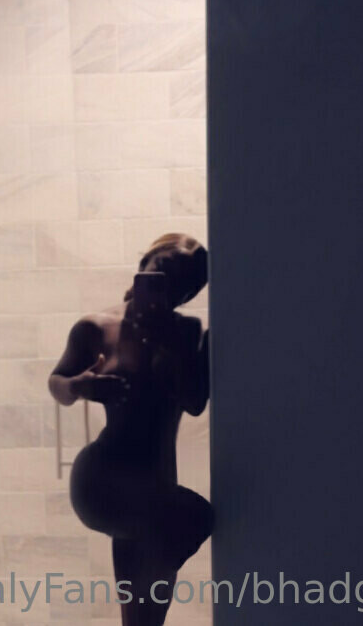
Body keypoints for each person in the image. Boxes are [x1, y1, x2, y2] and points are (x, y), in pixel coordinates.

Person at [48, 233, 213, 625]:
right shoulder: (95, 328)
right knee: (195, 517)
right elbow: (57, 384)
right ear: (145, 263)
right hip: (103, 478)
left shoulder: (188, 333)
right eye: (164, 267)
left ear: (187, 294)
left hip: (154, 484)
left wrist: (167, 346)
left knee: (143, 619)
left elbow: (195, 402)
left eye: (182, 281)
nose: (168, 282)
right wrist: (81, 386)